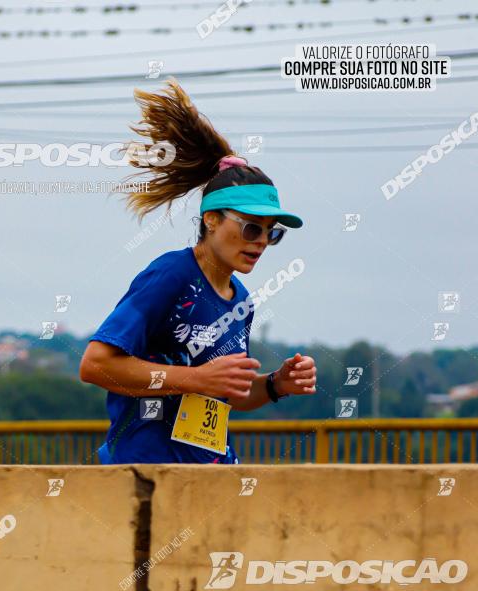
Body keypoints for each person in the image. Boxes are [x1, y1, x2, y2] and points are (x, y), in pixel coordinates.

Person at [79, 78, 316, 465]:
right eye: (250, 227)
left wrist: (274, 385)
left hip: (211, 473)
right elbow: (95, 365)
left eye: (272, 233)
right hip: (146, 470)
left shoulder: (240, 299)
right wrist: (195, 379)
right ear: (210, 220)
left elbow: (229, 392)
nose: (260, 241)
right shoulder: (171, 275)